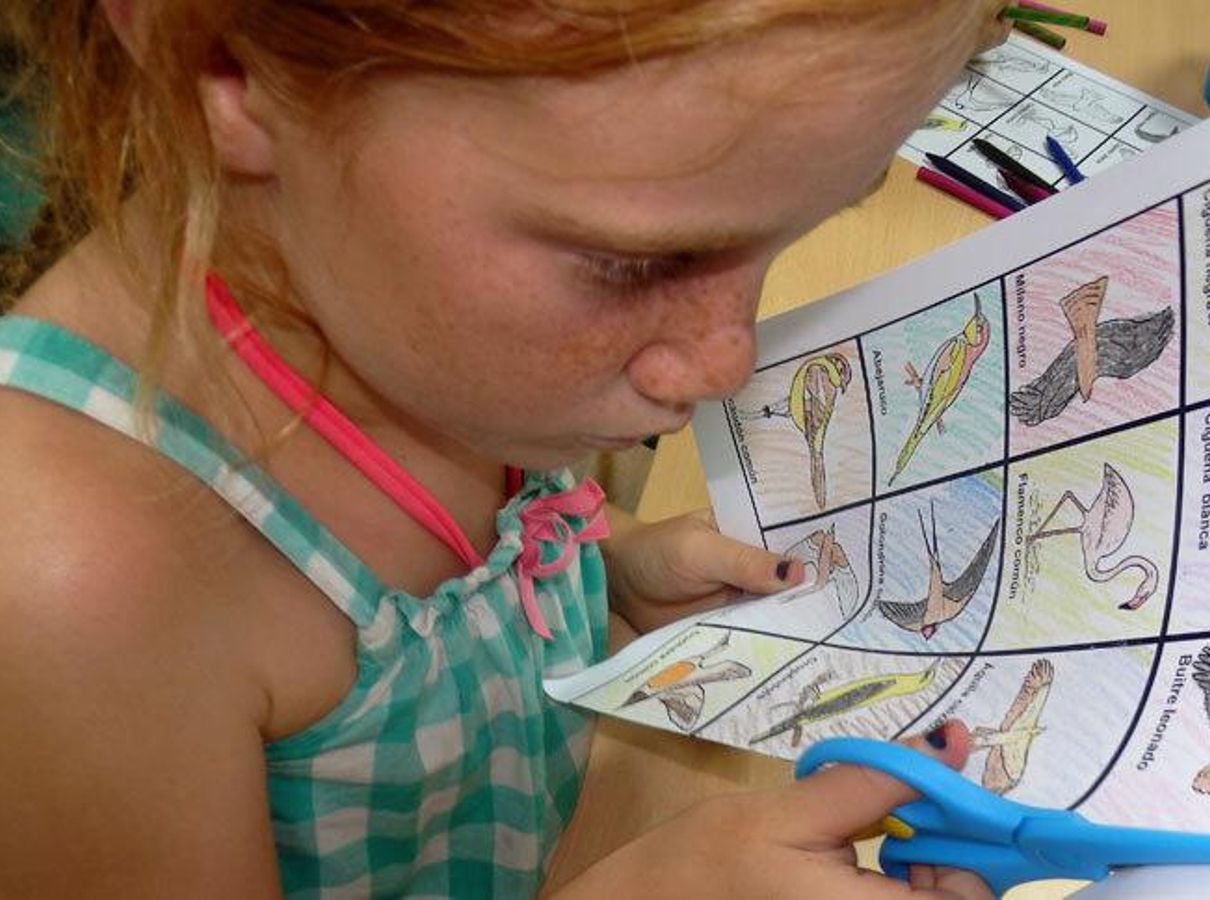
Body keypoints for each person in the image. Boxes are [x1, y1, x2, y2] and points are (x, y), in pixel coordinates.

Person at [0, 1, 1012, 897]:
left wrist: (606, 571)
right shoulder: (67, 584)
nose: (722, 365)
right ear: (225, 65)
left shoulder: (411, 330)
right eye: (635, 263)